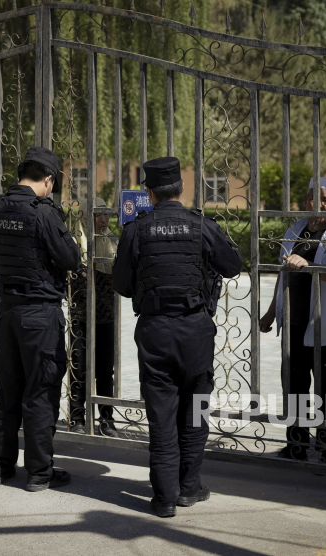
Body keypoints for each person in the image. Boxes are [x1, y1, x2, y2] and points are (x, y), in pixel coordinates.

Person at [113, 157, 243, 518]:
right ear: (181, 188)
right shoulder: (201, 224)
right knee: (195, 410)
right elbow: (233, 265)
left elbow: (122, 285)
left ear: (149, 192)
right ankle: (189, 488)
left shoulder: (136, 229)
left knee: (161, 413)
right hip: (195, 329)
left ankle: (165, 497)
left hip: (155, 329)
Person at [0, 147, 81, 491]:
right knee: (40, 391)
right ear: (49, 179)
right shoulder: (43, 213)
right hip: (39, 314)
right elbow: (70, 258)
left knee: (8, 392)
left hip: (7, 311)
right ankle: (39, 473)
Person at [258, 177, 326, 464]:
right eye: (315, 198)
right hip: (293, 322)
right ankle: (296, 445)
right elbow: (282, 272)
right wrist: (270, 311)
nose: (320, 204)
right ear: (306, 200)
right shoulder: (295, 229)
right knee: (294, 385)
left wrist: (309, 265)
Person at [68, 197, 119, 437]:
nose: (103, 219)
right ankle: (77, 419)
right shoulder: (74, 244)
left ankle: (107, 420)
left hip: (106, 316)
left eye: (106, 214)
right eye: (97, 214)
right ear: (86, 216)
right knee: (79, 368)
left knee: (105, 371)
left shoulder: (112, 242)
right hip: (80, 316)